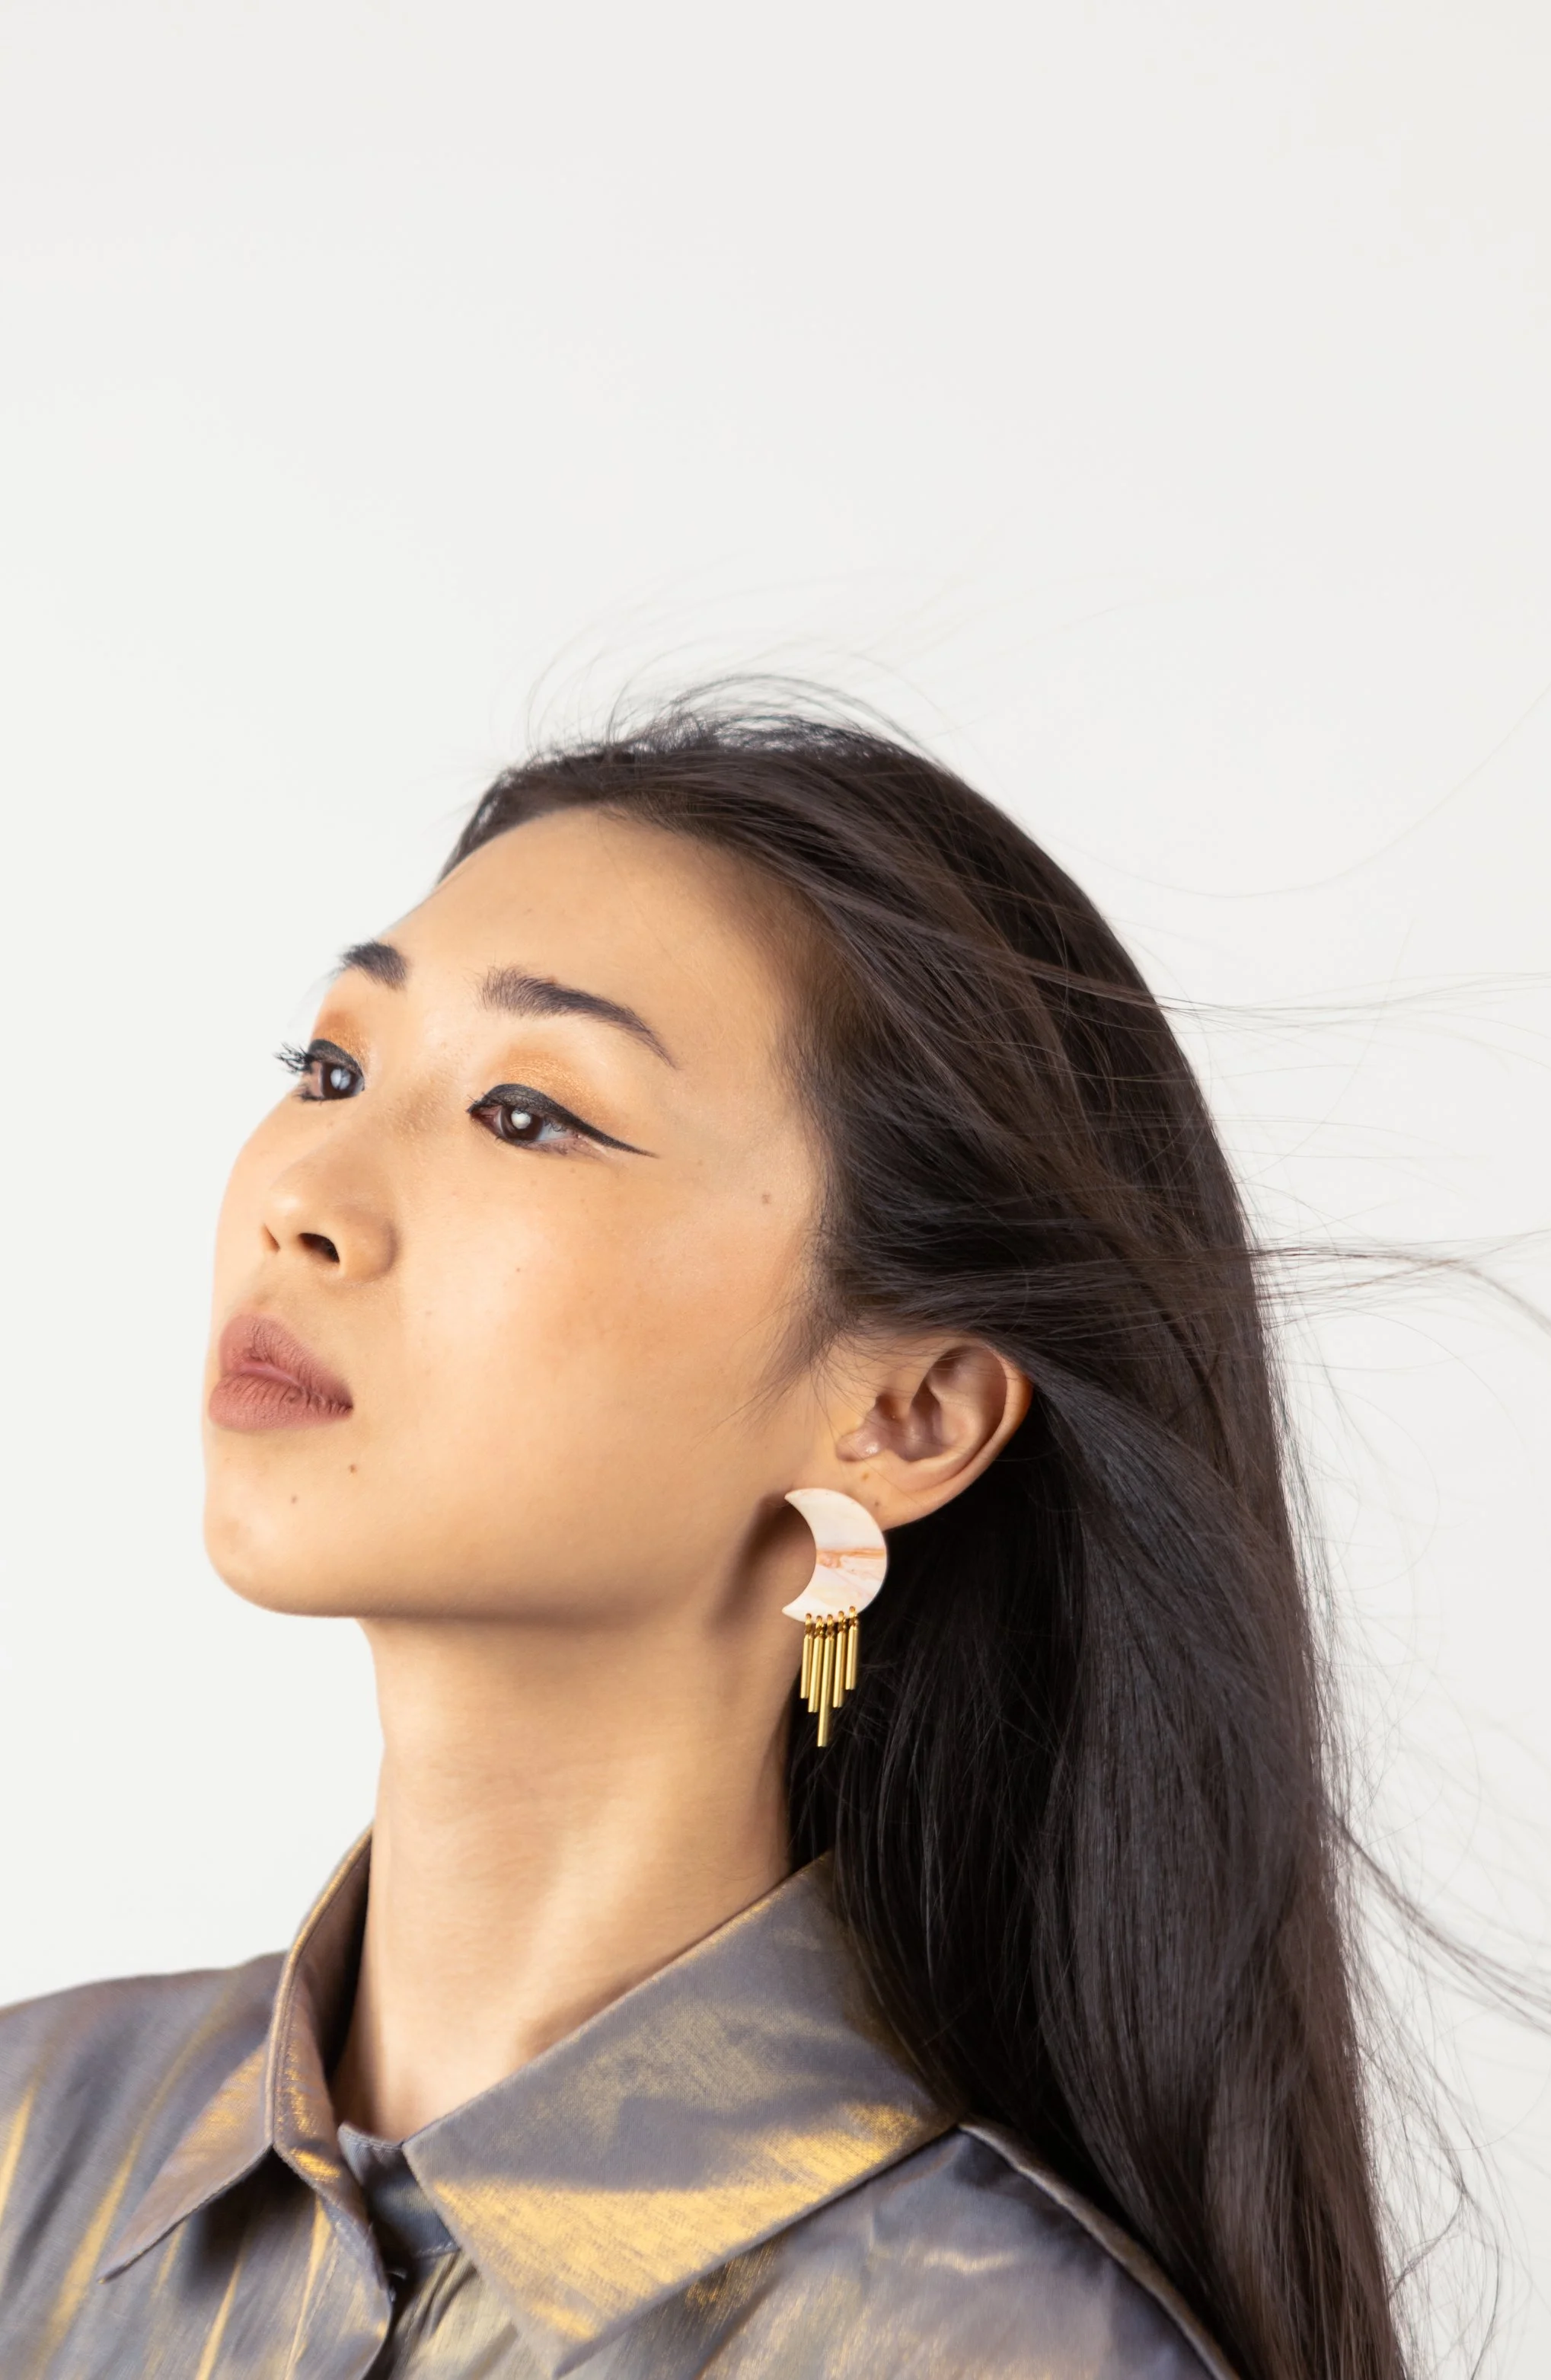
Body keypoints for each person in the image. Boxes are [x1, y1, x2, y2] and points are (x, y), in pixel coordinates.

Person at [0, 696, 1406, 2379]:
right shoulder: (29, 2146)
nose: (305, 1194)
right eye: (332, 1067)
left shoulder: (986, 2348)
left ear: (906, 1415)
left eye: (526, 1111)